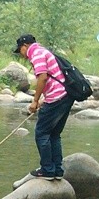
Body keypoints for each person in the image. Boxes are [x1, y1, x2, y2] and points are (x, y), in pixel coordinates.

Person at [14, 34, 74, 180]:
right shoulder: (43, 51)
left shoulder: (36, 53)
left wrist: (35, 101)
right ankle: (57, 170)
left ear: (25, 46)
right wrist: (43, 100)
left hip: (56, 98)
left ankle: (47, 169)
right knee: (54, 134)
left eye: (20, 50)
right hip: (65, 96)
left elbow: (43, 77)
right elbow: (53, 78)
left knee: (41, 133)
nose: (21, 54)